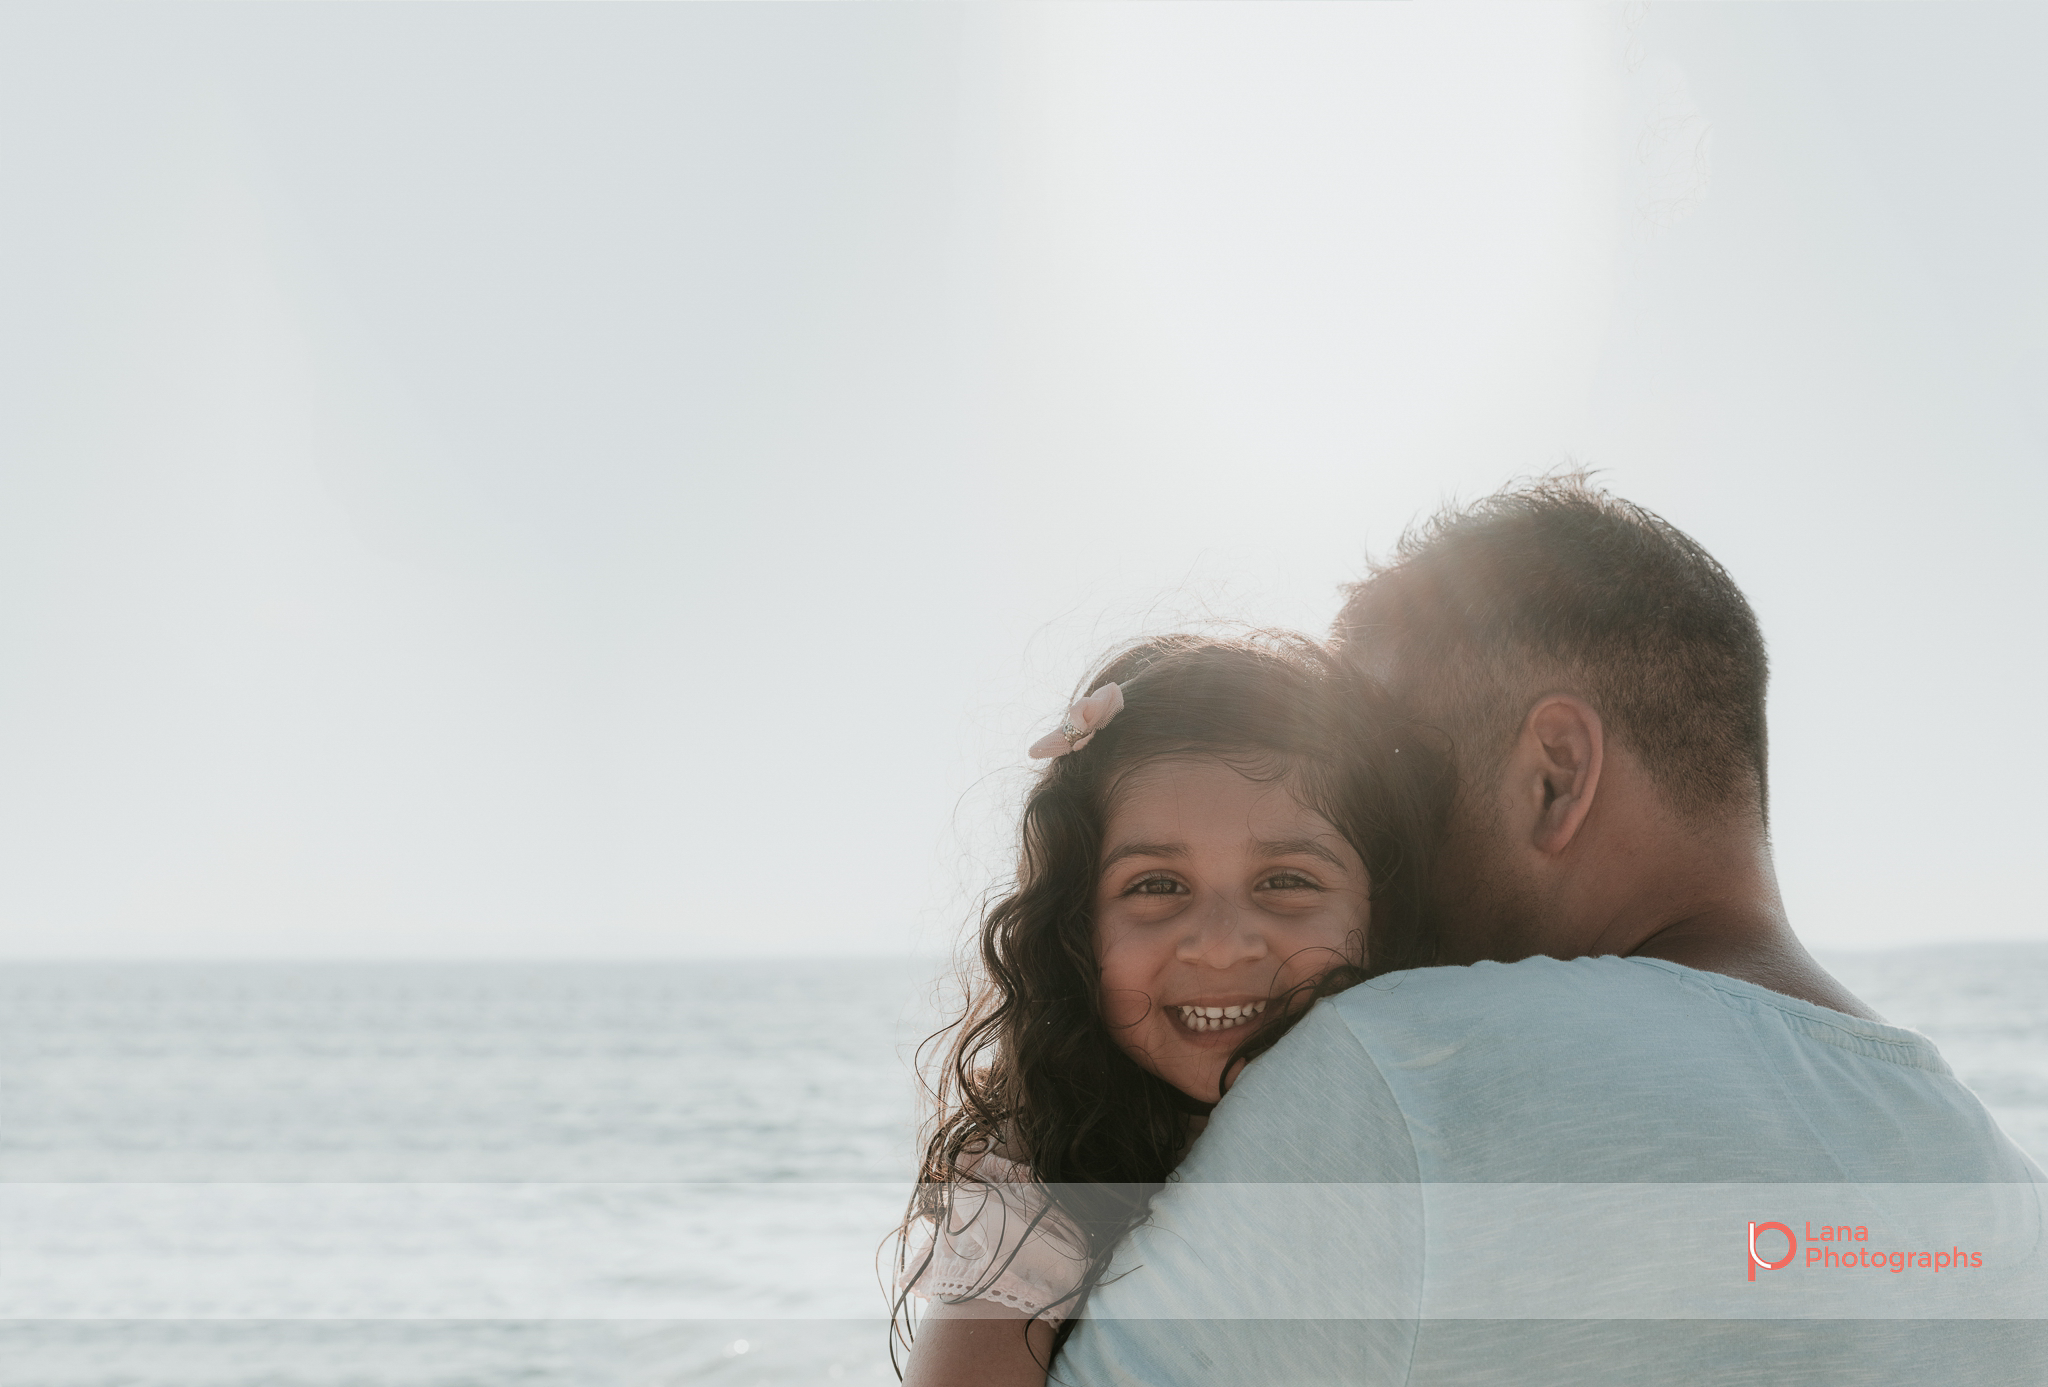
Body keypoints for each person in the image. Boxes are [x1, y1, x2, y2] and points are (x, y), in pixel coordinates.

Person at [1054, 475, 2048, 1383]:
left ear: (1553, 775)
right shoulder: (2007, 1206)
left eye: (1392, 789)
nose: (1370, 854)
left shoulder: (1408, 1069)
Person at [891, 632, 1448, 1387]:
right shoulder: (1040, 1190)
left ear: (1382, 908)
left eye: (1286, 879)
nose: (1220, 947)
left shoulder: (1442, 1127)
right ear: (1076, 930)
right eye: (1156, 885)